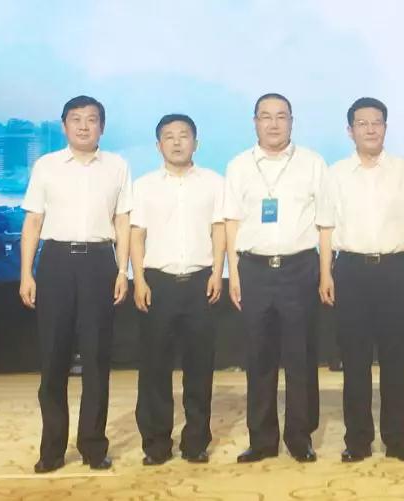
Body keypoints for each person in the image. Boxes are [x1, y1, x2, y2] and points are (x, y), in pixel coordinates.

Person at [20, 95, 132, 473]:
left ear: (102, 126)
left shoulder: (117, 166)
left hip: (100, 263)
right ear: (64, 125)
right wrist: (26, 273)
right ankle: (52, 450)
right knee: (53, 359)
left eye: (92, 119)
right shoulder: (47, 166)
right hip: (56, 262)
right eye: (76, 119)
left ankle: (93, 446)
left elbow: (122, 221)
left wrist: (122, 271)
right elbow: (33, 222)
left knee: (97, 359)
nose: (84, 126)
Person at [317, 97, 404, 463]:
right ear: (350, 130)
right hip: (350, 271)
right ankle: (358, 440)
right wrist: (325, 273)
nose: (370, 129)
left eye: (376, 122)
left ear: (385, 127)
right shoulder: (336, 174)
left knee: (395, 362)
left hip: (394, 271)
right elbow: (326, 228)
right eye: (362, 123)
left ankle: (397, 439)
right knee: (355, 363)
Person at [224, 93, 325, 463]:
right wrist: (233, 273)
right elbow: (231, 222)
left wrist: (325, 272)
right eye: (265, 116)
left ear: (292, 121)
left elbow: (325, 222)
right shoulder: (239, 166)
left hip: (300, 269)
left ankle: (300, 437)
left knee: (301, 357)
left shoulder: (312, 163)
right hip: (253, 270)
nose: (273, 123)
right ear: (255, 122)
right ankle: (262, 439)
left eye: (281, 116)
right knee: (259, 358)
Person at [131, 114, 225, 465]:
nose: (176, 142)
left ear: (195, 143)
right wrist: (138, 279)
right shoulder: (144, 186)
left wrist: (218, 272)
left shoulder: (214, 182)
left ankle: (195, 442)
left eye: (183, 135)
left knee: (199, 367)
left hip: (201, 281)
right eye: (169, 136)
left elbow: (219, 230)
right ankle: (156, 444)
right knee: (154, 368)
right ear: (158, 145)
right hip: (158, 282)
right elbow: (136, 235)